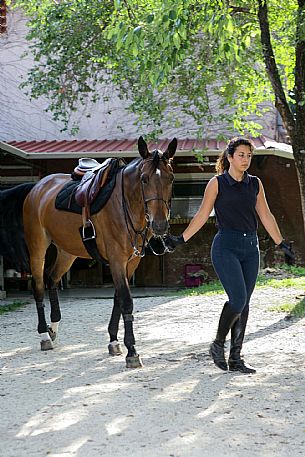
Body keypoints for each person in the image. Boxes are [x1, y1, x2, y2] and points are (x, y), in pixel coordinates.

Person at [164, 136, 295, 374]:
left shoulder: (254, 183)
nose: (245, 160)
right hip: (226, 246)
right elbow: (202, 215)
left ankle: (236, 358)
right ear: (230, 157)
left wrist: (282, 244)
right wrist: (181, 239)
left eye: (249, 156)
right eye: (241, 155)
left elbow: (266, 215)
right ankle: (217, 345)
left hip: (250, 248)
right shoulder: (217, 183)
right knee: (237, 299)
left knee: (244, 304)